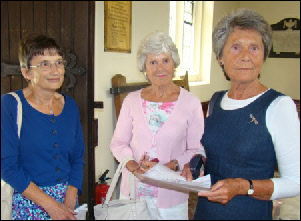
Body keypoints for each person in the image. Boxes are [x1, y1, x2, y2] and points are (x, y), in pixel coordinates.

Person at [181, 8, 300, 220]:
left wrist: (243, 186)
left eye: (254, 48)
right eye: (236, 47)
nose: (246, 56)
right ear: (220, 57)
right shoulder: (216, 101)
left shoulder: (279, 106)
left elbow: (295, 182)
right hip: (205, 212)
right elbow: (209, 146)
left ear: (263, 56)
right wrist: (198, 160)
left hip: (248, 213)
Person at [110, 31, 205, 220]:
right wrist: (132, 165)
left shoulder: (191, 103)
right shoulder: (131, 100)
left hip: (171, 195)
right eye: (153, 62)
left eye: (165, 61)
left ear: (174, 64)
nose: (160, 68)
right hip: (134, 194)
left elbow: (197, 148)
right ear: (144, 68)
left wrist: (171, 165)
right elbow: (118, 143)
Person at [1, 33, 85, 220]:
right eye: (45, 64)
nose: (55, 70)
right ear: (26, 72)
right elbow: (7, 167)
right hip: (27, 203)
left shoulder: (70, 106)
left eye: (59, 62)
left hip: (67, 202)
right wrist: (50, 205)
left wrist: (72, 193)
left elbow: (78, 158)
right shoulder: (10, 106)